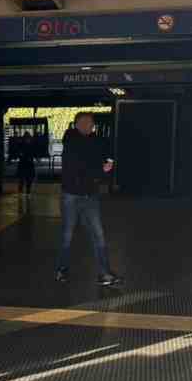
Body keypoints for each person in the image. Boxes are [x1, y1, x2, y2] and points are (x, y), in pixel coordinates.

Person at [56, 112, 123, 287]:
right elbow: (81, 165)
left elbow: (105, 154)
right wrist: (101, 170)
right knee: (67, 234)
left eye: (91, 123)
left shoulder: (95, 141)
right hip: (71, 195)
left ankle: (104, 273)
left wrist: (107, 162)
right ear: (76, 124)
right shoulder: (71, 140)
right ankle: (62, 269)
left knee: (98, 234)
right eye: (84, 122)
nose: (88, 125)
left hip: (90, 195)